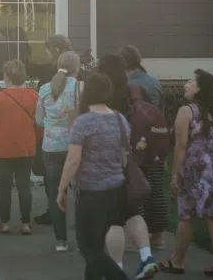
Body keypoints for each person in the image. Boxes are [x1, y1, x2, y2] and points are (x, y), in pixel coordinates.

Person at [56, 73, 129, 280]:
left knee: (88, 247)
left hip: (91, 192)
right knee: (97, 246)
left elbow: (73, 160)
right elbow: (124, 156)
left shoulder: (84, 122)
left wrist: (61, 189)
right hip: (115, 189)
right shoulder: (120, 119)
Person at [161, 68, 213, 277]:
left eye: (190, 81)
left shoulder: (186, 111)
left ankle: (178, 261)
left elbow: (181, 146)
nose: (186, 84)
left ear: (199, 88)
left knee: (186, 216)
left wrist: (175, 174)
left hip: (194, 172)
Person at [97, 53, 159, 279]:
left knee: (113, 219)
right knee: (132, 211)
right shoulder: (132, 91)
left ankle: (117, 269)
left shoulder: (103, 94)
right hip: (133, 157)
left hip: (109, 162)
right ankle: (146, 257)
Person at [118, 44, 167, 252]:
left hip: (136, 144)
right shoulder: (154, 81)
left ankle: (137, 239)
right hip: (157, 141)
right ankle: (159, 237)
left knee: (135, 189)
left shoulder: (128, 85)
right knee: (156, 190)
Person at [0, 58, 39, 236]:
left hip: (4, 148)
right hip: (27, 146)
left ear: (6, 76)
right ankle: (26, 223)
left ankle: (5, 223)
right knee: (24, 186)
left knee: (4, 187)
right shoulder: (33, 95)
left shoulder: (0, 97)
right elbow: (39, 120)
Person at [38, 49, 81, 251]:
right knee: (81, 193)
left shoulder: (44, 89)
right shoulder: (80, 88)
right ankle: (83, 238)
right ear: (76, 69)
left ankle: (61, 241)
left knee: (55, 192)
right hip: (74, 146)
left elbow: (38, 120)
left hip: (50, 147)